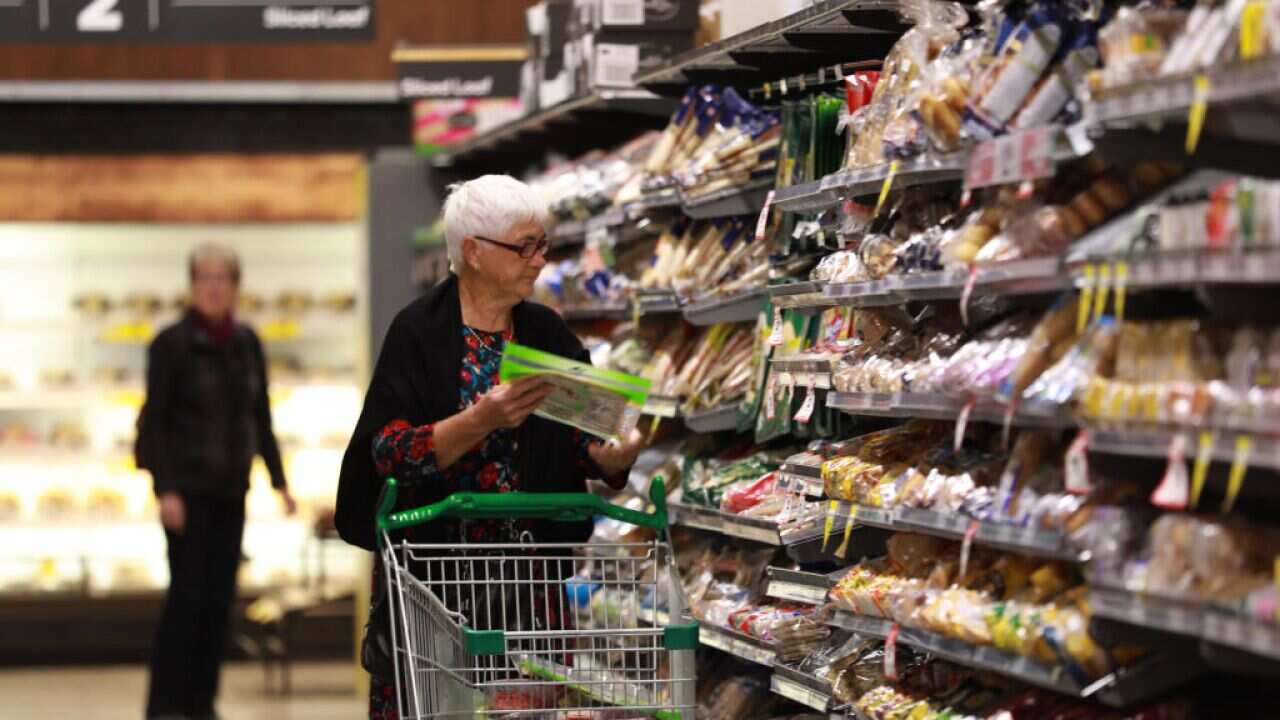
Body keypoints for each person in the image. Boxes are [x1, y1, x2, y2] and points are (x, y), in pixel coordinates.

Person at [336, 174, 645, 718]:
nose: (539, 259)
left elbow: (583, 437)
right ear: (474, 252)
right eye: (524, 246)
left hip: (529, 585)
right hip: (434, 585)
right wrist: (479, 420)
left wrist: (611, 458)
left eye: (542, 244)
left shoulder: (547, 333)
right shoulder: (418, 332)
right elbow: (388, 451)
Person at [135, 242, 297, 720]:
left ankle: (201, 702)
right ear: (192, 286)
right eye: (205, 277)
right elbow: (154, 425)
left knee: (218, 603)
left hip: (231, 492)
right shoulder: (171, 344)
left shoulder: (247, 343)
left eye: (223, 277)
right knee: (186, 600)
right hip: (187, 494)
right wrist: (165, 489)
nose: (214, 286)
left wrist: (279, 482)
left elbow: (260, 416)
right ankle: (166, 705)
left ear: (236, 287)